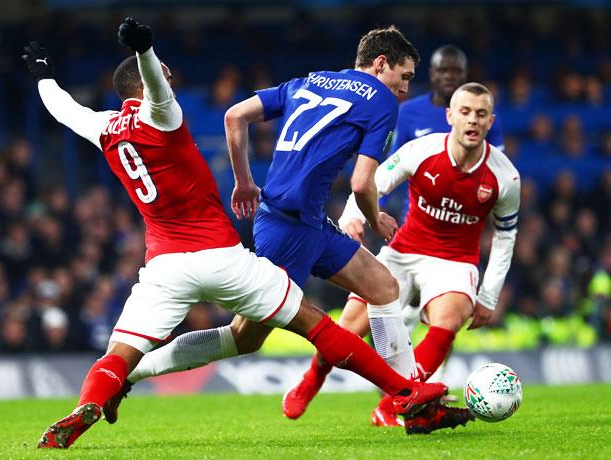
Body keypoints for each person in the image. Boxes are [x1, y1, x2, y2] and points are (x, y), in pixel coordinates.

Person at [25, 18, 448, 449]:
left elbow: (62, 108)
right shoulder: (164, 115)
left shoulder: (104, 129)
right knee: (309, 324)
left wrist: (42, 74)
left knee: (117, 355)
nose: (171, 80)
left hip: (164, 266)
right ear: (157, 83)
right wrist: (145, 49)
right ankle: (406, 391)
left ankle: (96, 396)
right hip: (222, 255)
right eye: (166, 75)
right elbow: (156, 84)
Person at [120, 26, 471, 435]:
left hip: (303, 220)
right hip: (288, 231)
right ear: (381, 65)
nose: (406, 88)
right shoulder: (380, 100)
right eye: (405, 76)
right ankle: (133, 372)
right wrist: (376, 219)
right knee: (245, 338)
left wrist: (244, 180)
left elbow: (235, 116)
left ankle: (413, 401)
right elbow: (361, 183)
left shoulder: (312, 79)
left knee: (383, 286)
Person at [282, 82, 520, 427]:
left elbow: (505, 236)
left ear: (490, 121)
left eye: (481, 114)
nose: (472, 120)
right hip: (404, 251)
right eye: (465, 112)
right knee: (348, 327)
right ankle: (311, 382)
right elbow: (373, 181)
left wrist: (488, 296)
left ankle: (402, 400)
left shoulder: (505, 176)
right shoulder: (421, 151)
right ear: (450, 116)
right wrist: (352, 217)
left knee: (449, 319)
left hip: (454, 262)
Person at [391, 44, 504, 152]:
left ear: (466, 74)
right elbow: (394, 161)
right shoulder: (407, 111)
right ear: (432, 73)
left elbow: (498, 165)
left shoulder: (483, 113)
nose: (449, 76)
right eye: (443, 70)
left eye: (456, 71)